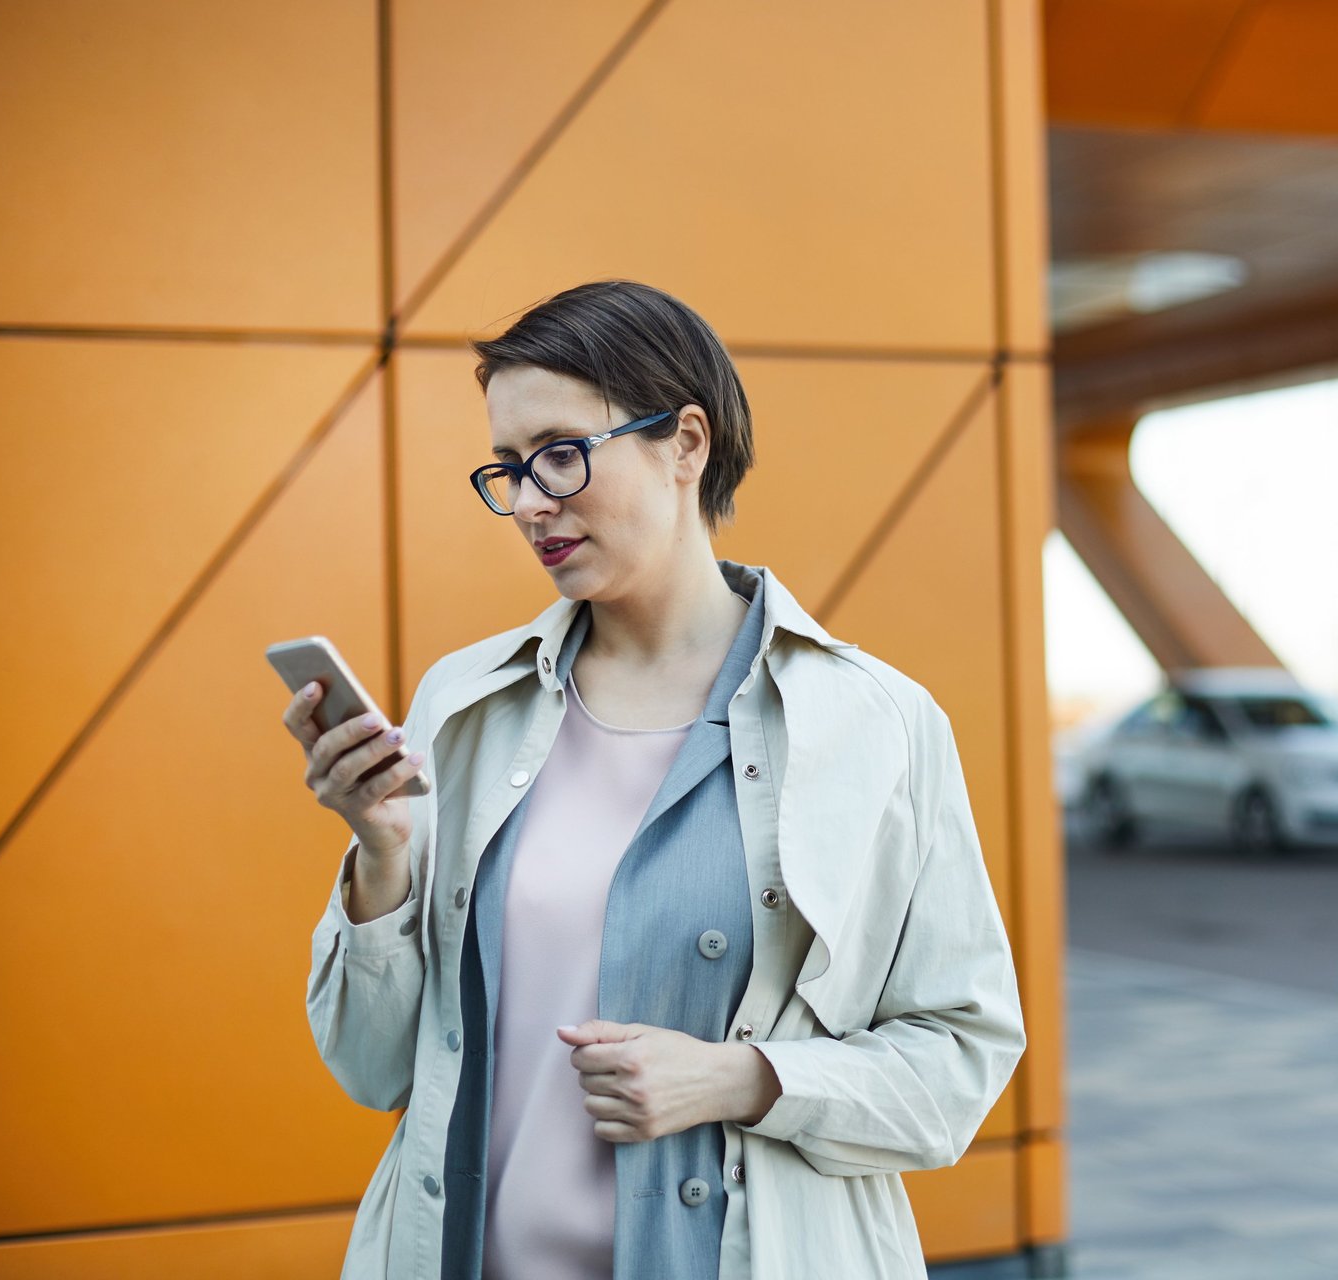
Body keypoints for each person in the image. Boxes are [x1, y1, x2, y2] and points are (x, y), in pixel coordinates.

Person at [285, 279, 1026, 1279]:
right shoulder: (463, 702)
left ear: (686, 442)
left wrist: (742, 1078)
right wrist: (381, 854)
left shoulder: (877, 722)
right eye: (508, 467)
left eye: (560, 452)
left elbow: (959, 1061)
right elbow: (374, 1067)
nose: (532, 500)